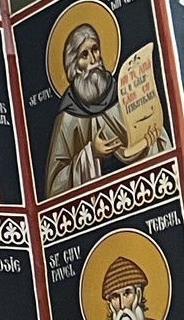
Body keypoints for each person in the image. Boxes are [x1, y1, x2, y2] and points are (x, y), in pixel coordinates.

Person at [45, 15, 163, 193]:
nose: (93, 60)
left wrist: (151, 142)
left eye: (95, 50)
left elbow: (160, 141)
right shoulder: (68, 117)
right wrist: (91, 154)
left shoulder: (123, 93)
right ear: (73, 66)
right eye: (84, 55)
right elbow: (54, 187)